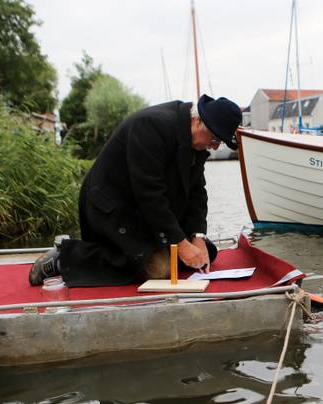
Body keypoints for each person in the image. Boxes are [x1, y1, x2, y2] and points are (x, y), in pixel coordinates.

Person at [28, 94, 242, 287]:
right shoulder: (151, 125)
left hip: (142, 211)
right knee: (160, 269)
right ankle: (66, 257)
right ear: (198, 121)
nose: (214, 147)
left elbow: (197, 192)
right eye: (215, 139)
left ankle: (170, 246)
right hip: (113, 210)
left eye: (219, 143)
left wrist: (197, 236)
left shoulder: (195, 141)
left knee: (206, 252)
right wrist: (180, 243)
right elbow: (149, 193)